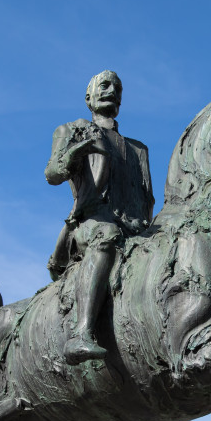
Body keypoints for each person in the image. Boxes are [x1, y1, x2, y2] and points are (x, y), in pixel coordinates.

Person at [45, 70, 153, 364]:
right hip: (92, 222)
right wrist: (72, 155)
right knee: (106, 236)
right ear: (88, 98)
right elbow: (52, 174)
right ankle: (82, 333)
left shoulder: (139, 149)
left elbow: (147, 198)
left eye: (117, 87)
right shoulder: (72, 129)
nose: (112, 90)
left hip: (135, 228)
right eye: (104, 85)